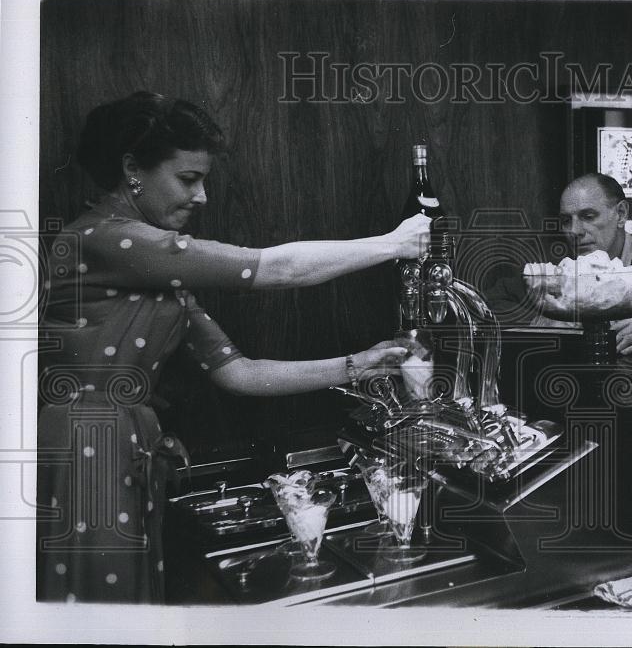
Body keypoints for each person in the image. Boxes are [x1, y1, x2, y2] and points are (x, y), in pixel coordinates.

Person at [37, 91, 430, 603]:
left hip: (122, 447)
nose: (202, 196)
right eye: (187, 178)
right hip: (87, 448)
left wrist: (362, 363)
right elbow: (278, 269)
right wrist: (394, 244)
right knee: (99, 612)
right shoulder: (104, 239)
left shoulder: (158, 269)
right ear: (133, 169)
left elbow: (239, 373)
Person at [486, 173, 632, 360]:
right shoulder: (558, 269)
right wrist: (545, 323)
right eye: (567, 220)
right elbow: (491, 305)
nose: (575, 231)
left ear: (621, 214)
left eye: (588, 216)